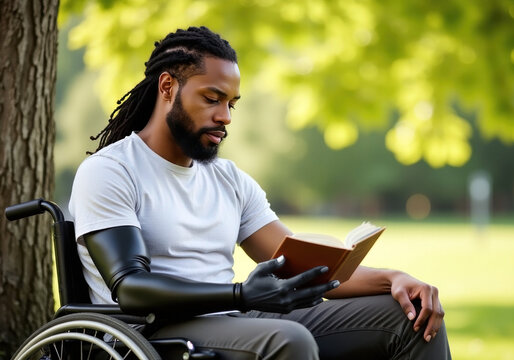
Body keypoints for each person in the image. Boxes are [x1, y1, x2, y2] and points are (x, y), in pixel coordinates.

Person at [69, 26, 451, 359]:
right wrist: (241, 295)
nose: (226, 117)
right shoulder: (111, 171)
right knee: (287, 339)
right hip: (153, 334)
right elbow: (131, 288)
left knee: (409, 316)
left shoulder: (228, 179)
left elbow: (299, 266)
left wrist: (394, 279)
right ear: (168, 87)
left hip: (236, 319)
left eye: (231, 103)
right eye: (212, 98)